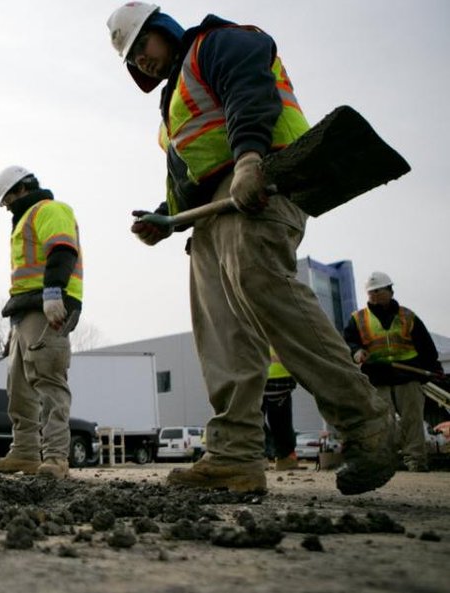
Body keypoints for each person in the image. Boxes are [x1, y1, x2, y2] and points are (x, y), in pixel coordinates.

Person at [106, 3, 397, 495]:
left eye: (142, 48)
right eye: (132, 61)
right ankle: (234, 456)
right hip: (210, 217)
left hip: (261, 185)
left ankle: (366, 423)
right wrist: (167, 218)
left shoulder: (218, 42)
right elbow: (194, 168)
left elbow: (249, 93)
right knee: (221, 332)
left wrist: (248, 162)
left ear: (161, 29)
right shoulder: (173, 102)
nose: (142, 62)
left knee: (266, 292)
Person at [0, 166, 83, 480]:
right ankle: (25, 452)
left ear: (21, 190)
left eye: (7, 200)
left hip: (47, 308)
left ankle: (56, 457)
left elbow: (62, 250)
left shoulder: (49, 210)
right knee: (18, 388)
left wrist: (54, 292)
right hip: (26, 311)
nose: (6, 208)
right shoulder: (25, 220)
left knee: (49, 382)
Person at [344, 272, 443, 472]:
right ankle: (386, 461)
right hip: (377, 376)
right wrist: (356, 352)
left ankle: (415, 459)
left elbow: (426, 346)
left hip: (407, 376)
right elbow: (349, 341)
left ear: (390, 290)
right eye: (371, 292)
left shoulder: (407, 316)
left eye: (379, 291)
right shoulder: (358, 318)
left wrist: (433, 369)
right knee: (382, 422)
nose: (374, 295)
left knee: (412, 420)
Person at [262, 347, 302, 471]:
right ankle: (285, 456)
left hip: (255, 372)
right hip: (280, 375)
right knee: (280, 419)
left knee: (251, 415)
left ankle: (257, 454)